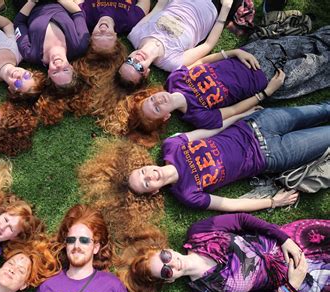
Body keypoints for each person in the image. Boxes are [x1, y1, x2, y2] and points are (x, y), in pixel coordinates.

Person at [103, 27, 330, 138]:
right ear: (165, 117)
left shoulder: (174, 79)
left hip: (250, 54)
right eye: (157, 108)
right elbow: (231, 110)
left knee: (308, 42)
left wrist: (231, 52)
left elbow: (201, 61)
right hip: (266, 80)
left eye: (152, 99)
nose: (158, 100)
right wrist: (266, 93)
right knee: (318, 64)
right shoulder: (197, 116)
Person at [128, 102, 330, 212]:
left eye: (143, 172)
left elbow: (210, 131)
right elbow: (230, 204)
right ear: (154, 192)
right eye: (146, 184)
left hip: (258, 124)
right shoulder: (187, 193)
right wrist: (274, 202)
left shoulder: (171, 146)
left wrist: (244, 114)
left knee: (324, 109)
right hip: (272, 154)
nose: (149, 176)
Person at [119, 213, 330, 292]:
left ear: (168, 250)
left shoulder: (200, 232)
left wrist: (284, 239)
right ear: (170, 280)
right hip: (304, 278)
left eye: (165, 257)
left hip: (295, 240)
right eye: (166, 271)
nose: (172, 264)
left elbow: (242, 220)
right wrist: (290, 289)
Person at [30, 204, 134, 292]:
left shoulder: (113, 285)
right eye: (71, 240)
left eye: (84, 240)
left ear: (95, 247)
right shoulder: (47, 286)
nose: (76, 246)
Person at [118, 0, 235, 87]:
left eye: (130, 61)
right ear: (146, 73)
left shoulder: (135, 35)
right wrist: (226, 8)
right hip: (213, 5)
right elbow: (208, 45)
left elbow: (159, 7)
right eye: (138, 67)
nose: (137, 59)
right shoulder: (172, 62)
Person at [14, 0, 90, 88]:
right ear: (71, 68)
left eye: (55, 72)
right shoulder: (80, 45)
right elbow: (77, 13)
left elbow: (18, 22)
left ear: (49, 74)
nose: (59, 66)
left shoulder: (31, 54)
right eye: (65, 70)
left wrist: (32, 2)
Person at [75, 0, 150, 53]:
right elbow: (144, 1)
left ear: (91, 36)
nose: (103, 29)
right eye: (108, 35)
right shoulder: (130, 20)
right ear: (115, 36)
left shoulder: (85, 17)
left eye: (98, 35)